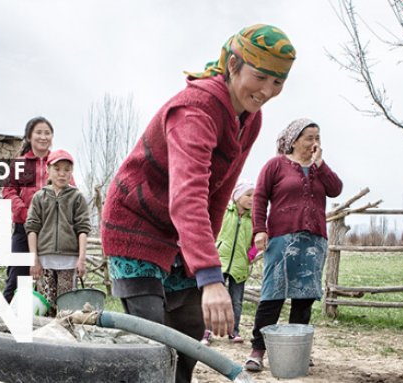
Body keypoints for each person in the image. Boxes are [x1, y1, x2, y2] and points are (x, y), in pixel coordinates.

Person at [101, 24, 296, 383]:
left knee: (189, 332)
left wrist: (203, 266)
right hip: (137, 222)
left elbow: (218, 193)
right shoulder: (196, 108)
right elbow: (187, 194)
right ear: (234, 65)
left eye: (278, 82)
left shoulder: (250, 119)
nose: (267, 91)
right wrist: (209, 277)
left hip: (179, 229)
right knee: (152, 337)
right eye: (260, 76)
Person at [244, 118, 343, 372]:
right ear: (294, 140)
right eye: (309, 137)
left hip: (313, 240)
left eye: (317, 138)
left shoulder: (320, 168)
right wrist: (259, 230)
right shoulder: (275, 165)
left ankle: (297, 350)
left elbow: (336, 190)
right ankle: (258, 350)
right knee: (272, 295)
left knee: (304, 298)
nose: (314, 143)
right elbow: (260, 199)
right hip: (282, 239)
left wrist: (320, 163)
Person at [25, 149, 91, 317]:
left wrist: (81, 259)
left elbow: (82, 229)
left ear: (71, 172)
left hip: (69, 261)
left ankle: (65, 341)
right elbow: (32, 228)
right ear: (48, 170)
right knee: (45, 308)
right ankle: (44, 341)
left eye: (66, 170)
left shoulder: (77, 197)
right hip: (45, 261)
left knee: (66, 310)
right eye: (57, 169)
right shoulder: (40, 197)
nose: (62, 174)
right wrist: (34, 259)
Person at [2, 117, 54, 303]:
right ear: (29, 137)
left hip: (51, 230)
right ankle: (5, 322)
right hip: (23, 228)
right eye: (38, 132)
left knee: (51, 280)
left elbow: (71, 192)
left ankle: (46, 323)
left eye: (47, 133)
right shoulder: (20, 163)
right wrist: (24, 211)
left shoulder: (57, 163)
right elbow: (8, 191)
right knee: (17, 277)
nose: (43, 136)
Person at [201, 179, 256, 346]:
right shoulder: (225, 212)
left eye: (254, 195)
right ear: (237, 196)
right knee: (212, 299)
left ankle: (234, 331)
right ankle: (206, 331)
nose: (252, 199)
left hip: (240, 264)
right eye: (248, 195)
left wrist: (250, 255)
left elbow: (256, 240)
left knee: (236, 300)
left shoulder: (253, 219)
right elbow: (212, 229)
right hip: (219, 261)